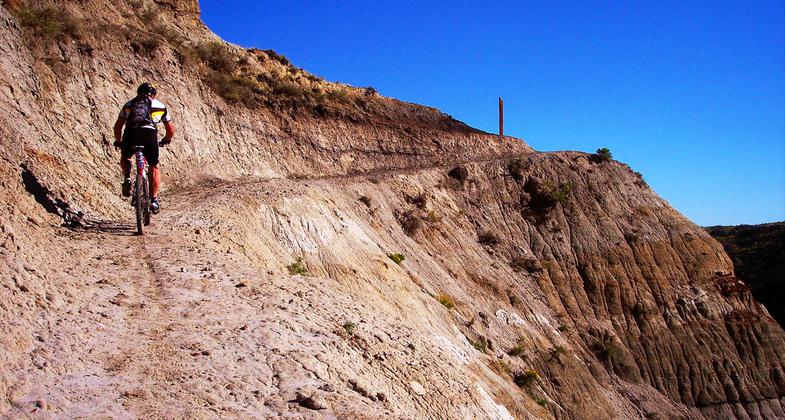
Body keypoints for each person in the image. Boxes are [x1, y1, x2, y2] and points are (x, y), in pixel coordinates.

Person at [113, 82, 175, 214]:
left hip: (131, 134)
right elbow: (170, 130)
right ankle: (153, 200)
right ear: (154, 94)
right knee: (154, 166)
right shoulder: (160, 106)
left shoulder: (129, 104)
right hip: (149, 135)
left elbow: (117, 126)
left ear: (138, 93)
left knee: (126, 157)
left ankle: (127, 178)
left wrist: (119, 141)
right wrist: (166, 140)